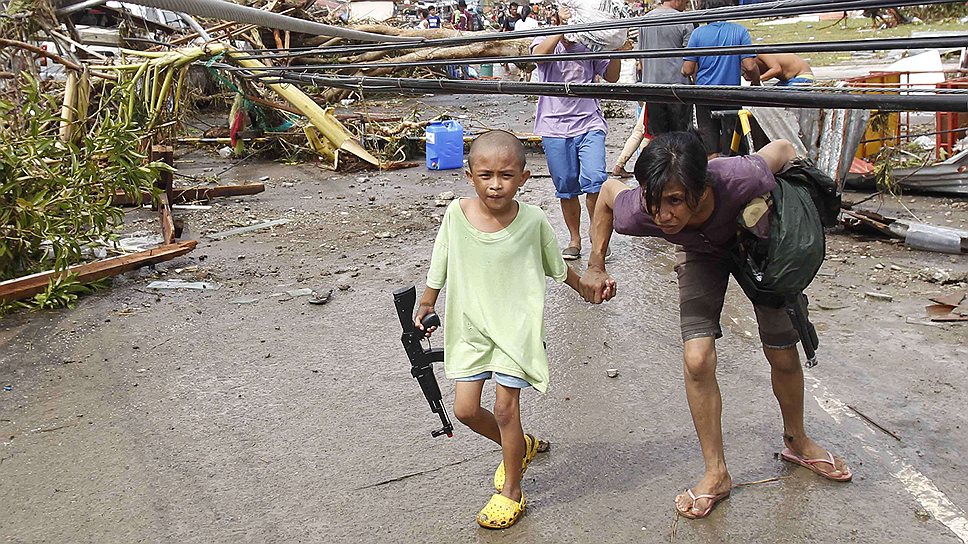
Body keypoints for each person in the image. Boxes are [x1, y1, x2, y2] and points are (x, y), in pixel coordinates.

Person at [578, 131, 853, 520]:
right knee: (697, 358)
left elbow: (784, 150)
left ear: (703, 186)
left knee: (782, 350)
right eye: (655, 203)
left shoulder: (741, 176)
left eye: (675, 201)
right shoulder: (637, 210)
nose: (663, 216)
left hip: (755, 243)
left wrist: (795, 208)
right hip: (700, 254)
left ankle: (798, 440)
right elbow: (607, 193)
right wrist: (595, 263)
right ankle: (716, 472)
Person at [416, 130, 581, 529]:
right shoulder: (456, 214)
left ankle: (512, 491)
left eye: (506, 175)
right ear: (470, 175)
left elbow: (556, 267)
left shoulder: (533, 220)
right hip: (470, 329)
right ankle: (519, 447)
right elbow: (442, 260)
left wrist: (587, 288)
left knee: (507, 410)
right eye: (486, 175)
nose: (495, 185)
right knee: (466, 410)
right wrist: (426, 301)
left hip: (515, 330)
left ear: (523, 178)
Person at [532, 7, 628, 260]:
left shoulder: (589, 44)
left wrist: (614, 46)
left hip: (589, 122)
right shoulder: (544, 40)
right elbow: (539, 56)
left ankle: (596, 233)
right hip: (553, 125)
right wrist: (563, 28)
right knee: (566, 186)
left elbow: (612, 77)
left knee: (596, 179)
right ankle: (574, 238)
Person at [682, 0, 760, 159]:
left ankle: (714, 179)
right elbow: (750, 66)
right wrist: (756, 81)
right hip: (730, 96)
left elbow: (687, 69)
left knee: (710, 149)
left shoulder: (698, 34)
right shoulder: (740, 31)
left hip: (704, 96)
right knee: (733, 146)